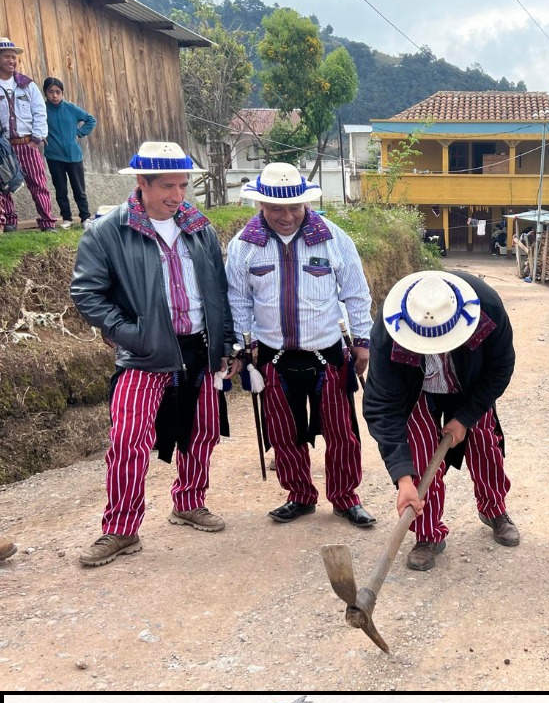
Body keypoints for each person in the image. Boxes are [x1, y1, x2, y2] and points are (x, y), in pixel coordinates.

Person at [71, 141, 239, 567]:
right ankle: (121, 529)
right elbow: (87, 293)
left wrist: (225, 344)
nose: (177, 195)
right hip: (144, 355)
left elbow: (218, 293)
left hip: (199, 350)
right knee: (128, 440)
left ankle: (189, 502)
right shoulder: (108, 231)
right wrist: (130, 333)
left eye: (183, 185)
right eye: (167, 186)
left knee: (202, 432)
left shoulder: (199, 227)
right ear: (141, 183)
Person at [226, 163, 375, 528]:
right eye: (275, 208)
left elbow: (356, 293)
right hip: (272, 357)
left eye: (294, 207)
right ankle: (300, 495)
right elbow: (238, 300)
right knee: (283, 432)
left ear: (305, 202)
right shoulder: (244, 245)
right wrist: (242, 347)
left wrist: (362, 341)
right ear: (261, 204)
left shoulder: (334, 238)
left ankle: (345, 498)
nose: (286, 216)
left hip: (328, 354)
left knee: (342, 433)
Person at [363, 270, 517, 571]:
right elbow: (383, 406)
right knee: (420, 457)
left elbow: (500, 367)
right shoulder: (389, 328)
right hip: (417, 390)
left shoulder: (486, 307)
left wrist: (466, 417)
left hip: (470, 383)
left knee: (485, 444)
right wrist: (403, 479)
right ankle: (428, 533)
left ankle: (494, 509)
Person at [0, 38, 57, 232]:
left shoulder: (27, 85)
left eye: (14, 57)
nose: (12, 61)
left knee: (38, 182)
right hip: (4, 145)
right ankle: (9, 221)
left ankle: (47, 222)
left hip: (27, 143)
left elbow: (40, 111)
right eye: (7, 57)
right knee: (4, 184)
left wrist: (36, 138)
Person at [42, 77, 96, 229]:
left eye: (58, 92)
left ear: (62, 92)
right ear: (45, 92)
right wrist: (40, 135)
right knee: (60, 189)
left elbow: (91, 120)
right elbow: (34, 123)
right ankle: (67, 218)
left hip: (74, 156)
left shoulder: (71, 108)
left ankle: (85, 217)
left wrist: (79, 133)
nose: (54, 95)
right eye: (51, 92)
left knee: (79, 189)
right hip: (54, 156)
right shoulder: (42, 109)